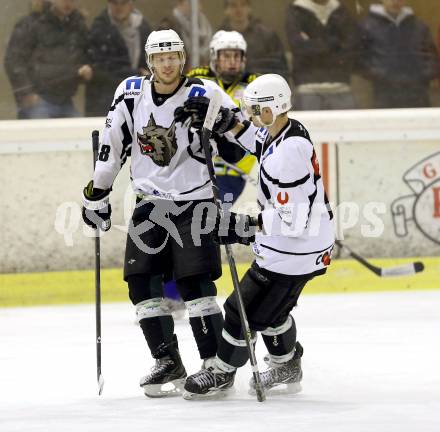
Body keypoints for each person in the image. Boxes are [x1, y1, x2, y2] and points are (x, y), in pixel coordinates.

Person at [82, 29, 241, 397]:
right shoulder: (131, 93)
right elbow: (112, 145)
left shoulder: (204, 93)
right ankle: (167, 359)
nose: (167, 64)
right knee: (140, 282)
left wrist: (225, 130)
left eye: (173, 57)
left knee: (194, 283)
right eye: (160, 58)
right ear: (150, 61)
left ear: (182, 59)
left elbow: (237, 138)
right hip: (149, 203)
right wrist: (97, 191)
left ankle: (215, 365)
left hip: (195, 201)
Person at [179, 74, 335, 398]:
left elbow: (292, 220)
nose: (251, 115)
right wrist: (230, 125)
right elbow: (257, 141)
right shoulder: (284, 131)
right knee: (273, 311)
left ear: (271, 109)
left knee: (241, 311)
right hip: (296, 248)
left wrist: (240, 226)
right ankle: (287, 364)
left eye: (256, 110)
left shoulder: (288, 155)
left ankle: (222, 372)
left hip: (294, 251)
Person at [4, 0, 92, 119]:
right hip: (38, 98)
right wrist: (26, 93)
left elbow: (84, 56)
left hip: (66, 99)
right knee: (42, 134)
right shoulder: (31, 23)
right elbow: (14, 60)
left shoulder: (78, 25)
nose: (67, 3)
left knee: (81, 133)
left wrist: (84, 72)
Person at [359, 0, 439, 108]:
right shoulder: (367, 26)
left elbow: (431, 56)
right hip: (384, 94)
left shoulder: (419, 26)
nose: (395, 1)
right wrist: (381, 76)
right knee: (388, 124)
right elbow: (360, 59)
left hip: (417, 93)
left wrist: (421, 76)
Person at [285, 0, 359, 110]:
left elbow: (350, 48)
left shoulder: (341, 11)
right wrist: (335, 43)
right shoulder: (296, 11)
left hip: (340, 84)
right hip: (307, 87)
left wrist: (312, 43)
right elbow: (299, 47)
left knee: (350, 126)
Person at [85, 0, 151, 116]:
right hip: (105, 100)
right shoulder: (99, 29)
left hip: (136, 98)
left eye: (123, 3)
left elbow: (149, 60)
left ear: (131, 5)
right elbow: (102, 69)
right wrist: (138, 74)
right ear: (108, 4)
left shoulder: (143, 28)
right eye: (114, 2)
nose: (119, 7)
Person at [220, 0, 289, 79]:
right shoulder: (218, 39)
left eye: (243, 5)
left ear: (249, 8)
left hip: (263, 86)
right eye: (233, 5)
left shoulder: (267, 36)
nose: (238, 9)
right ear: (226, 10)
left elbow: (281, 69)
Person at [158, 0, 212, 71]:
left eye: (199, 2)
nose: (199, 6)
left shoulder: (203, 23)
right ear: (180, 3)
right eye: (192, 3)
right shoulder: (168, 26)